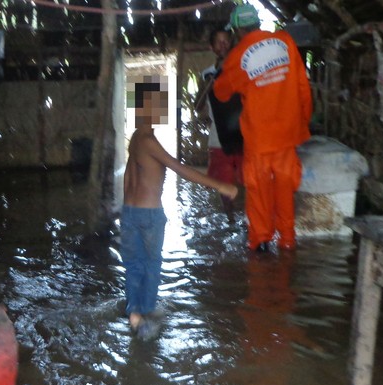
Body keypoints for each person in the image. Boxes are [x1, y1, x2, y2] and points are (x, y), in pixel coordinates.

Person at [122, 76, 238, 339]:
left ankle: (133, 314)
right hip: (149, 215)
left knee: (133, 265)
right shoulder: (149, 141)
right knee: (151, 264)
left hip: (128, 214)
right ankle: (146, 315)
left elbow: (131, 176)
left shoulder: (136, 139)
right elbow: (181, 170)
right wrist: (221, 186)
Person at [214, 4, 312, 252]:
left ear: (237, 30)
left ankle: (261, 242)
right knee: (284, 186)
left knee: (258, 189)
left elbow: (221, 92)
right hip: (287, 134)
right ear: (258, 23)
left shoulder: (239, 56)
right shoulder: (285, 42)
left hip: (259, 137)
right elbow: (303, 86)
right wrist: (302, 122)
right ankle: (287, 240)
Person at [194, 29, 244, 223]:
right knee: (224, 181)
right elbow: (198, 107)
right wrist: (210, 83)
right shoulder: (207, 74)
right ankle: (231, 220)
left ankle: (248, 220)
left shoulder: (241, 68)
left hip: (243, 132)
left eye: (226, 41)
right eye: (218, 42)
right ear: (212, 47)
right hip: (219, 135)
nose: (223, 45)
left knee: (248, 178)